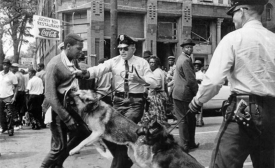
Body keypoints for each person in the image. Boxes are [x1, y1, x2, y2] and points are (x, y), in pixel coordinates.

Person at [188, 0, 275, 167]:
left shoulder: (234, 38)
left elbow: (213, 81)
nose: (233, 19)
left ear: (242, 11)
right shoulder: (273, 39)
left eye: (233, 13)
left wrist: (197, 101)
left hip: (243, 110)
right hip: (272, 113)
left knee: (223, 164)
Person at [74, 34, 158, 168]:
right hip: (118, 102)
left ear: (133, 48)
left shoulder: (142, 63)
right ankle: (126, 160)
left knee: (123, 133)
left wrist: (140, 80)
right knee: (109, 136)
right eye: (120, 49)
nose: (122, 52)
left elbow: (154, 82)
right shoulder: (114, 61)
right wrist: (84, 73)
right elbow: (99, 69)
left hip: (135, 103)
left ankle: (120, 164)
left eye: (125, 48)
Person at [40, 33, 91, 168]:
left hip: (69, 106)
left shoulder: (73, 61)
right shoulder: (54, 65)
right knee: (58, 147)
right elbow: (50, 96)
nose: (81, 51)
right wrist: (67, 118)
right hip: (56, 110)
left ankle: (57, 163)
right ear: (68, 46)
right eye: (78, 48)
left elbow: (77, 77)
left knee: (84, 132)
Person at [172, 39, 199, 153]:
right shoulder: (186, 60)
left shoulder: (180, 58)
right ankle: (185, 145)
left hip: (178, 93)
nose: (190, 49)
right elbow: (191, 80)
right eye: (187, 47)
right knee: (185, 120)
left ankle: (189, 143)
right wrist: (198, 93)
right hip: (184, 94)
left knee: (187, 120)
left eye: (191, 47)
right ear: (183, 49)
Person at [140, 55, 169, 127]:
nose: (151, 64)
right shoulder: (160, 71)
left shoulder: (156, 72)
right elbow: (165, 84)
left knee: (156, 116)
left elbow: (158, 85)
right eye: (150, 62)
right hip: (160, 95)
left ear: (157, 63)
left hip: (156, 97)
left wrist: (147, 86)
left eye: (153, 62)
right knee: (159, 116)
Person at [0, 59, 18, 136]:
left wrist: (14, 97)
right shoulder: (0, 74)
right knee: (1, 114)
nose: (5, 66)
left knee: (10, 114)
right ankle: (4, 127)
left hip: (9, 96)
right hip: (0, 96)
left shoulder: (12, 76)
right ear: (2, 65)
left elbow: (16, 87)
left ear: (9, 66)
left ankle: (10, 129)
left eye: (7, 65)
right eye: (4, 65)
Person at [11, 63, 25, 130]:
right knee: (21, 108)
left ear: (16, 68)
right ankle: (20, 122)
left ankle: (17, 123)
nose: (12, 69)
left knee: (15, 107)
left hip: (17, 92)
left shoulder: (15, 76)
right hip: (22, 92)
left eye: (13, 67)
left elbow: (14, 86)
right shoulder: (21, 75)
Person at [193, 60, 205, 127]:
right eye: (195, 66)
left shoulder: (202, 75)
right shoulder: (193, 73)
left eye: (198, 66)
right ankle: (197, 121)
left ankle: (199, 121)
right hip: (194, 92)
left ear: (200, 67)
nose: (196, 67)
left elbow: (204, 83)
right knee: (194, 106)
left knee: (199, 107)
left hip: (200, 91)